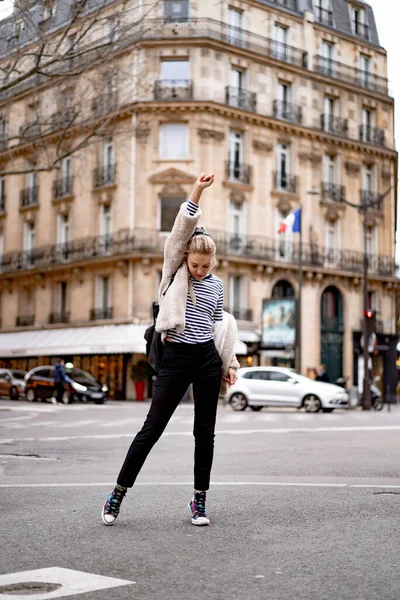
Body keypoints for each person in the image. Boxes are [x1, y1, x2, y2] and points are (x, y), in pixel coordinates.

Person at [102, 173, 239, 527]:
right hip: (176, 358)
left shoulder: (218, 285)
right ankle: (118, 492)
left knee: (204, 432)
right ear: (185, 259)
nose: (199, 270)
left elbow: (219, 326)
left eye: (205, 266)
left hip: (207, 358)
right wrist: (197, 191)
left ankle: (199, 503)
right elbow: (181, 230)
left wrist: (231, 363)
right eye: (195, 264)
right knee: (152, 428)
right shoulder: (173, 272)